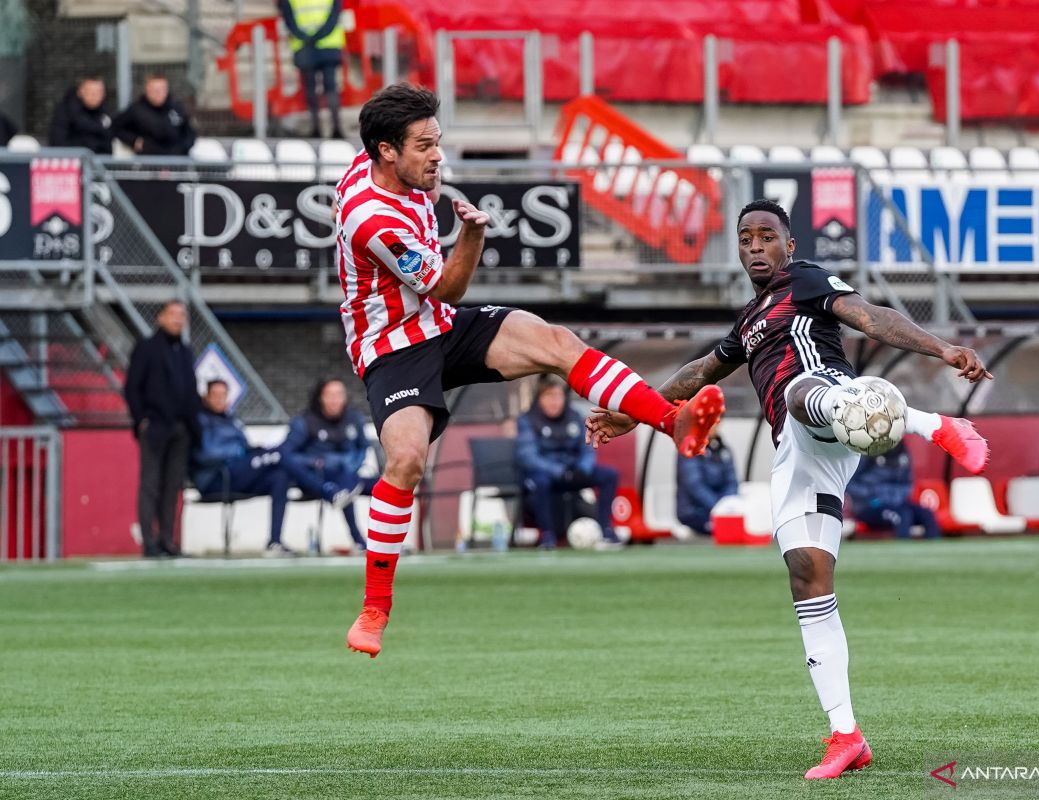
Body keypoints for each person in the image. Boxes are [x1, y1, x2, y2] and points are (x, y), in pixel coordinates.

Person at [586, 199, 991, 779]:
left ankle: (938, 425)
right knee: (807, 576)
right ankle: (846, 734)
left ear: (789, 245)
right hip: (800, 457)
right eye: (745, 238)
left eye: (766, 237)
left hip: (827, 401)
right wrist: (634, 412)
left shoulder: (805, 282)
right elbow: (699, 373)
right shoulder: (748, 322)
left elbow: (871, 316)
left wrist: (944, 348)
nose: (755, 247)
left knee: (800, 390)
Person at [339, 83, 725, 658]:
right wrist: (471, 235)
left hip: (441, 323)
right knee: (406, 459)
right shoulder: (370, 218)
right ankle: (375, 607)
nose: (437, 155)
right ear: (385, 152)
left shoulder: (397, 166)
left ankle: (672, 422)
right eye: (424, 145)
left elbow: (441, 298)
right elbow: (448, 282)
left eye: (438, 141)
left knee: (556, 340)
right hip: (392, 346)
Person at [192, 379, 360, 555]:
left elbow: (244, 447)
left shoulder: (231, 420)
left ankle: (274, 543)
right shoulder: (200, 421)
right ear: (206, 397)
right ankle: (328, 492)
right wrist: (240, 451)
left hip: (238, 473)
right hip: (217, 478)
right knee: (279, 454)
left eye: (223, 395)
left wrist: (251, 450)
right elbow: (205, 453)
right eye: (215, 395)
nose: (220, 400)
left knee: (280, 476)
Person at [123, 300, 201, 557]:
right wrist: (141, 420)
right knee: (150, 485)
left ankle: (168, 539)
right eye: (173, 314)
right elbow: (132, 387)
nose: (178, 320)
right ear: (160, 318)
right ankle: (149, 541)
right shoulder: (147, 348)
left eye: (182, 315)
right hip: (155, 427)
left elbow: (190, 390)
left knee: (172, 486)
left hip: (181, 429)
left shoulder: (185, 352)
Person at [516, 375, 621, 549]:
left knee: (609, 475)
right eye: (549, 396)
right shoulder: (527, 420)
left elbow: (587, 448)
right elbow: (529, 457)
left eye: (558, 396)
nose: (554, 401)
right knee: (540, 481)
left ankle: (606, 530)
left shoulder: (575, 417)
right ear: (539, 399)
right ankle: (547, 536)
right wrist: (559, 471)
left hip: (574, 472)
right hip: (549, 474)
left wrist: (582, 469)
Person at [282, 378, 375, 550]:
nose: (335, 400)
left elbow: (363, 447)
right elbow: (287, 453)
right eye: (330, 395)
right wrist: (315, 462)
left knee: (384, 486)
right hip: (317, 477)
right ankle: (360, 541)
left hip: (350, 474)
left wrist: (352, 465)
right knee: (343, 486)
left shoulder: (354, 418)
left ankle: (387, 539)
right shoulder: (305, 421)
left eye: (339, 394)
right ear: (320, 398)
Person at [845, 441, 941, 539]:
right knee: (903, 516)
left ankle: (935, 551)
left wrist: (898, 497)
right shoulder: (867, 450)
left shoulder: (901, 450)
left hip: (898, 503)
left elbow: (907, 482)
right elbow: (850, 482)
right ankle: (902, 552)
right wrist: (872, 496)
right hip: (869, 505)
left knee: (927, 514)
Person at [278, 0, 345, 139]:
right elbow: (335, 14)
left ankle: (318, 129)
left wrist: (306, 37)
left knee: (312, 88)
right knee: (328, 87)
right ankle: (335, 128)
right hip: (326, 43)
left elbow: (288, 17)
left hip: (305, 45)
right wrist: (319, 35)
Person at [675, 428, 740, 536]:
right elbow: (695, 486)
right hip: (694, 513)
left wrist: (727, 507)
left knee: (735, 530)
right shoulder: (689, 449)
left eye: (717, 420)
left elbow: (732, 482)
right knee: (727, 532)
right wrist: (719, 507)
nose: (714, 425)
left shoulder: (724, 450)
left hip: (721, 511)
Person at [112, 74, 196, 156]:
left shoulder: (177, 108)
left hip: (176, 161)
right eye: (154, 89)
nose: (158, 93)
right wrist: (134, 141)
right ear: (147, 90)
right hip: (149, 162)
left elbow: (189, 133)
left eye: (161, 89)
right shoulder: (136, 109)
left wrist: (181, 150)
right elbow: (116, 127)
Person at [48, 76, 113, 154]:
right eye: (91, 92)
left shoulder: (104, 114)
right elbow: (57, 141)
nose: (95, 96)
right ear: (80, 92)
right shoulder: (65, 112)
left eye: (99, 92)